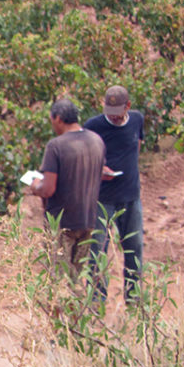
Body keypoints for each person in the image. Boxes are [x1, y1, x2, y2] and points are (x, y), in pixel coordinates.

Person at [29, 99, 106, 276]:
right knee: (76, 276)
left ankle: (67, 304)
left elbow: (48, 189)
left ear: (58, 119)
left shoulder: (56, 146)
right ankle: (81, 304)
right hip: (88, 220)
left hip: (61, 223)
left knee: (59, 279)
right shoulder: (96, 141)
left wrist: (35, 185)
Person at [84, 86, 145, 301]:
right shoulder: (93, 126)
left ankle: (134, 301)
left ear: (128, 106)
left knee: (135, 249)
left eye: (117, 111)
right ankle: (95, 304)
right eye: (109, 110)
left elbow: (136, 148)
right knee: (97, 252)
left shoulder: (137, 120)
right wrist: (98, 170)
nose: (113, 115)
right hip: (101, 199)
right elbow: (84, 157)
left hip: (131, 196)